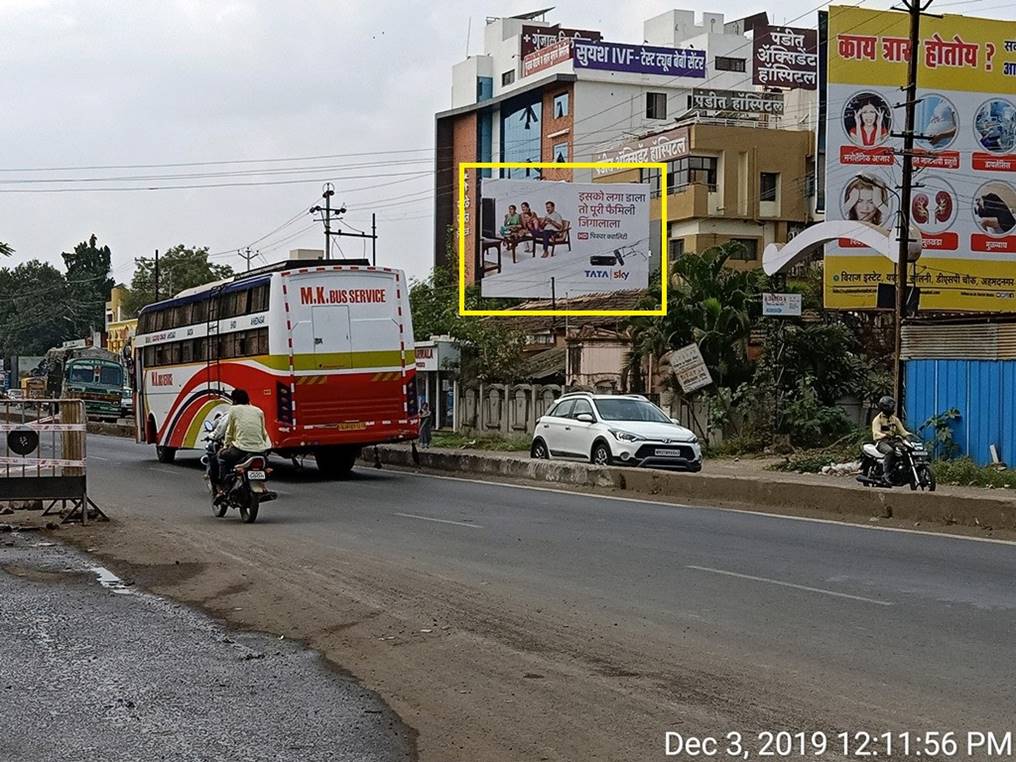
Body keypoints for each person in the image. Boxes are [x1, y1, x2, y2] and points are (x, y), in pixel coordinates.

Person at [216, 388, 272, 500]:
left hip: (241, 449)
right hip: (261, 450)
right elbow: (262, 432)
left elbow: (229, 432)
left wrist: (226, 446)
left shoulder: (234, 410)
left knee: (221, 457)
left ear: (235, 400)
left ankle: (224, 489)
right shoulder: (258, 411)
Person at [871, 395, 910, 484]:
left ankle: (905, 471)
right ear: (883, 407)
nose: (892, 408)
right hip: (882, 442)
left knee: (905, 449)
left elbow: (903, 431)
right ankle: (886, 474)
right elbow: (876, 433)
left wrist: (910, 436)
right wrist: (883, 435)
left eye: (893, 406)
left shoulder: (895, 419)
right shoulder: (877, 420)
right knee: (890, 451)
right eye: (890, 406)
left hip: (893, 441)